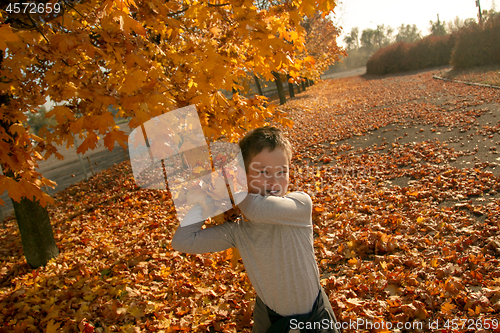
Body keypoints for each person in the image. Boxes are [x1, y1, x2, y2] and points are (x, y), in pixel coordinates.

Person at [171, 126, 340, 333]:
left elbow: (256, 209)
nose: (275, 180)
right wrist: (206, 198)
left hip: (314, 318)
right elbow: (183, 240)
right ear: (244, 175)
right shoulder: (239, 231)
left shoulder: (299, 206)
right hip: (268, 318)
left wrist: (230, 185)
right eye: (263, 172)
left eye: (282, 171)